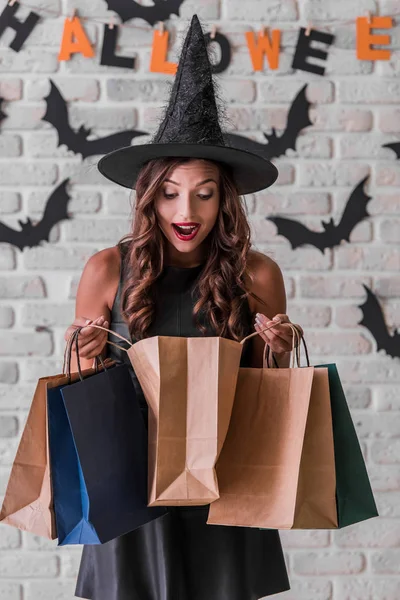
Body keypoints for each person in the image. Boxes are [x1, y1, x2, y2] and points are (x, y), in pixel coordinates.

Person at [64, 14, 303, 600]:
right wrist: (83, 355)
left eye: (204, 192)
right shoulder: (106, 270)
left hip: (227, 484)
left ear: (226, 200)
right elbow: (81, 401)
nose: (185, 211)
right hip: (130, 489)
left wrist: (276, 351)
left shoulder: (258, 273)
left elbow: (269, 401)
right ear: (150, 197)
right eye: (170, 193)